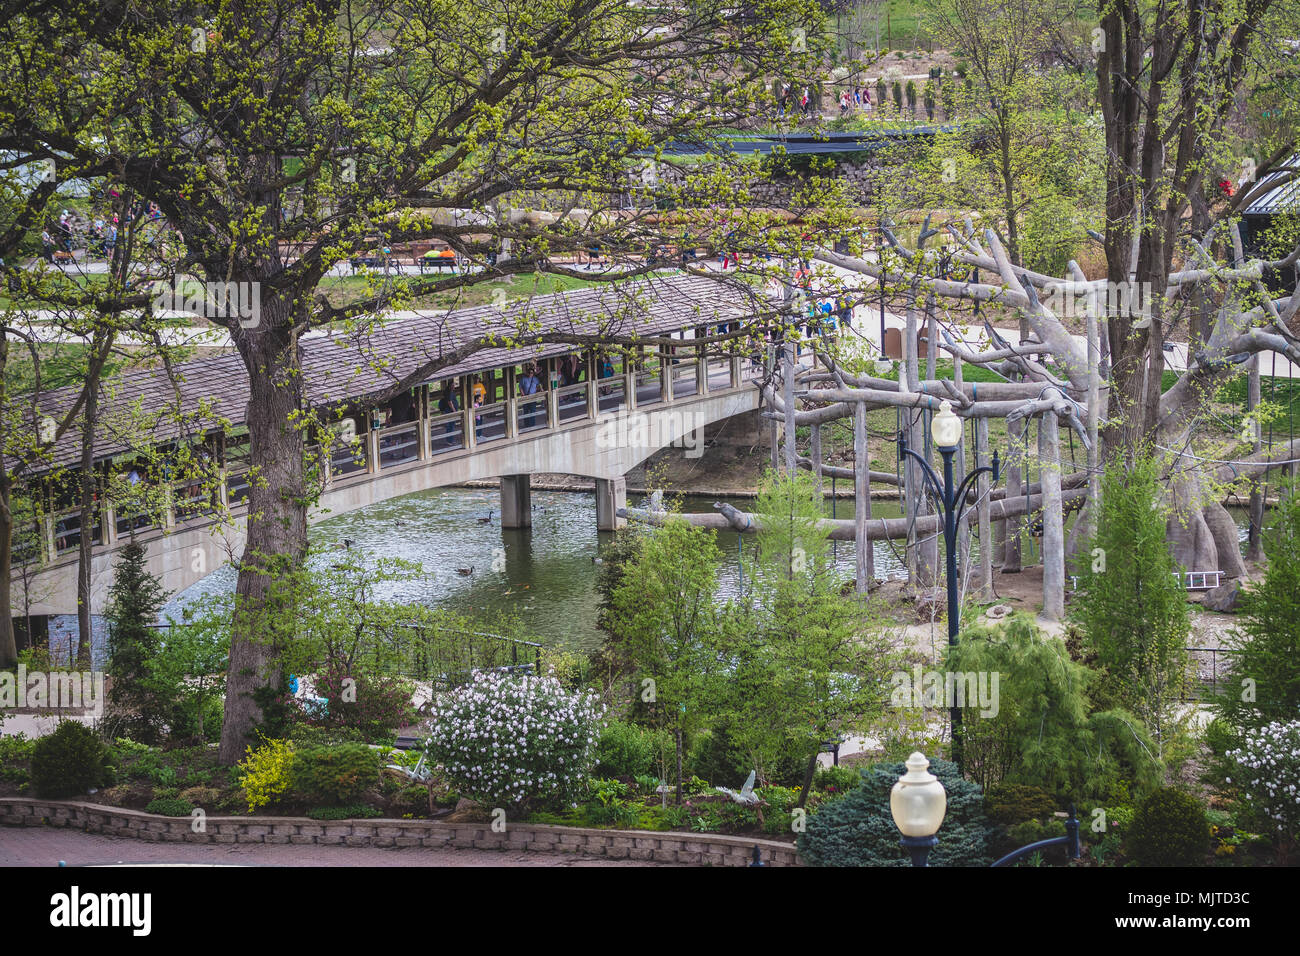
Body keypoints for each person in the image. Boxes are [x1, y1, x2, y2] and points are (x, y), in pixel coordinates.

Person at [518, 363, 542, 429]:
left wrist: (539, 391)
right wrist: (523, 395)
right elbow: (520, 387)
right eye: (529, 372)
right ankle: (526, 424)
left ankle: (532, 424)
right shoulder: (524, 379)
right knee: (526, 411)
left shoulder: (535, 379)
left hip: (533, 397)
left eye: (531, 373)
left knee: (532, 410)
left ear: (533, 373)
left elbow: (538, 386)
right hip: (526, 397)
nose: (530, 374)